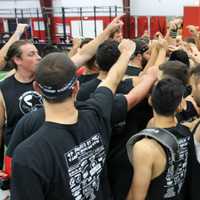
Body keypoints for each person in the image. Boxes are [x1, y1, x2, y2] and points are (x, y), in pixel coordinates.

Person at [11, 36, 135, 199]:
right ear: (76, 86)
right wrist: (126, 52)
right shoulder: (96, 113)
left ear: (37, 88)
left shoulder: (27, 155)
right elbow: (112, 80)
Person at [127, 78, 200, 200]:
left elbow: (137, 196)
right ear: (180, 105)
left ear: (151, 100)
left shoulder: (145, 148)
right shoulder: (187, 132)